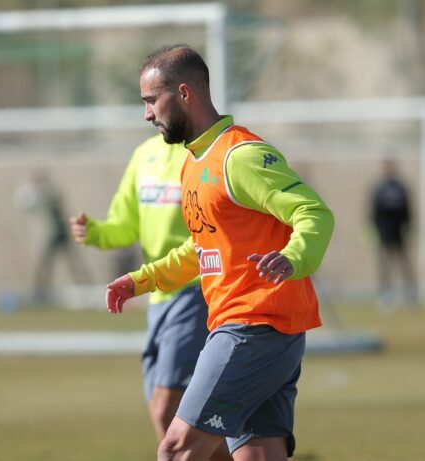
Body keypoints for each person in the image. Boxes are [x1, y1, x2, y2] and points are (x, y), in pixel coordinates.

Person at [105, 45, 335, 461]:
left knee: (176, 448)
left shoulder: (239, 156)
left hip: (252, 328)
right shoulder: (194, 162)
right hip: (260, 333)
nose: (147, 114)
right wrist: (143, 280)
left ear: (184, 93)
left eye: (151, 100)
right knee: (258, 455)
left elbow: (313, 212)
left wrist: (294, 256)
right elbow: (203, 246)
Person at [69, 135, 230, 460]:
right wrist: (96, 232)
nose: (148, 113)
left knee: (165, 407)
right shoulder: (144, 154)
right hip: (156, 296)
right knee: (168, 412)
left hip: (195, 289)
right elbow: (125, 225)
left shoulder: (204, 155)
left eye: (153, 106)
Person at [17, 170, 90, 302]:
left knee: (71, 263)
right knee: (47, 264)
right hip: (54, 234)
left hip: (60, 233)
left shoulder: (50, 193)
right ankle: (40, 291)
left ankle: (85, 288)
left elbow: (52, 199)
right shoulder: (43, 194)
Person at [369, 157, 416, 308]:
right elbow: (374, 210)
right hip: (384, 232)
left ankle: (410, 294)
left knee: (404, 263)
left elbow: (407, 210)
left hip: (399, 232)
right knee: (385, 265)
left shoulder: (400, 188)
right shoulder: (380, 188)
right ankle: (386, 294)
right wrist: (374, 228)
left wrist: (409, 227)